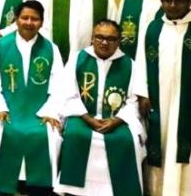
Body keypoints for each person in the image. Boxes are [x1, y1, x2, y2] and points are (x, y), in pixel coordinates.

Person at [0, 1, 65, 196]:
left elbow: (59, 86)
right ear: (16, 20)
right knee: (1, 131)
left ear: (41, 22)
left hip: (40, 111)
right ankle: (4, 182)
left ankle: (38, 184)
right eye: (24, 18)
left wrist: (50, 111)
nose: (29, 22)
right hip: (8, 108)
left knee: (48, 134)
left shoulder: (51, 48)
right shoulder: (1, 45)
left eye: (34, 19)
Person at [56, 20, 144, 196]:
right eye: (100, 37)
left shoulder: (129, 64)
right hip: (82, 115)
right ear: (92, 38)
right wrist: (87, 118)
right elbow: (67, 92)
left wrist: (116, 120)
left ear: (119, 41)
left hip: (117, 119)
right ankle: (74, 190)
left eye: (111, 39)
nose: (104, 42)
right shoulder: (78, 59)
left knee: (127, 141)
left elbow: (133, 100)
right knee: (75, 135)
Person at [135, 0, 191, 195]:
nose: (173, 5)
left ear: (188, 2)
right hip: (159, 99)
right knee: (161, 142)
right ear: (162, 2)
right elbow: (141, 61)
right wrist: (143, 94)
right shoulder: (153, 28)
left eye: (178, 0)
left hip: (186, 100)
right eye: (168, 0)